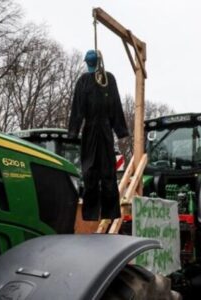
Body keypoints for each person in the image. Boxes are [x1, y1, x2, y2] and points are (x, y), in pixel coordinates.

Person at [68, 50, 129, 221]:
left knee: (96, 172)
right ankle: (99, 213)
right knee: (101, 172)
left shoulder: (105, 79)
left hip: (99, 129)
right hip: (98, 130)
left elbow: (77, 109)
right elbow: (115, 105)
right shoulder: (99, 80)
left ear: (87, 62)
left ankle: (98, 213)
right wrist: (120, 131)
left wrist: (74, 131)